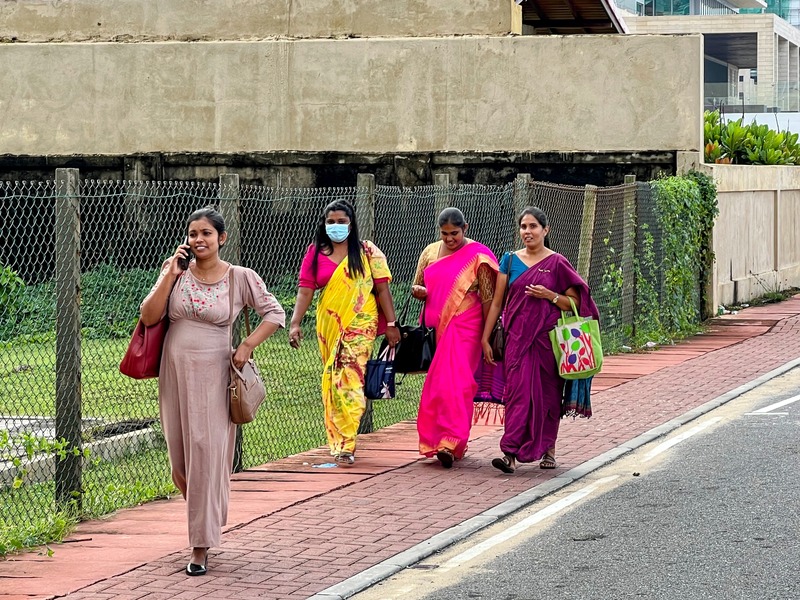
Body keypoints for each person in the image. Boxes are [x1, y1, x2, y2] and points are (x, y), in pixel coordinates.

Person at [140, 207, 286, 576]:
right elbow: (149, 315)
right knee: (180, 462)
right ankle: (205, 516)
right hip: (174, 372)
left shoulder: (239, 277)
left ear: (221, 238)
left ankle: (200, 546)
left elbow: (275, 314)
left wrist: (247, 345)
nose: (198, 240)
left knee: (205, 454)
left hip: (214, 374)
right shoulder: (175, 272)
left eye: (206, 233)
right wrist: (170, 274)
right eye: (193, 234)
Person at [482, 206, 599, 474]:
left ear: (545, 230)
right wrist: (485, 338)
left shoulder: (557, 263)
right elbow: (497, 303)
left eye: (533, 226)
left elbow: (576, 302)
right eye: (523, 226)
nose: (527, 231)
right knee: (517, 394)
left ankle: (549, 449)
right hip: (516, 340)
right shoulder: (509, 260)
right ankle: (510, 453)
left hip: (548, 342)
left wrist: (550, 295)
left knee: (548, 396)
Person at [289, 200, 400, 465]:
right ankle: (340, 442)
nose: (336, 226)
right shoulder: (315, 252)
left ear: (351, 224)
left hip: (362, 323)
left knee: (350, 378)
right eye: (331, 222)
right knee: (334, 379)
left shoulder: (367, 252)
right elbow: (305, 290)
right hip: (329, 326)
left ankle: (346, 444)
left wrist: (392, 324)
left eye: (341, 222)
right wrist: (295, 323)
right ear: (323, 224)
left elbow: (382, 289)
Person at [412, 207, 498, 468]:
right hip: (436, 328)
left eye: (454, 233)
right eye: (445, 234)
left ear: (465, 228)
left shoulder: (479, 256)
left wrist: (488, 336)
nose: (450, 239)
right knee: (438, 385)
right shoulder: (429, 252)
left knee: (459, 384)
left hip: (467, 328)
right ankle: (435, 440)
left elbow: (488, 299)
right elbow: (419, 284)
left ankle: (451, 442)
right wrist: (418, 291)